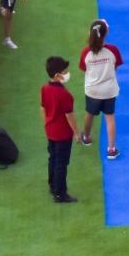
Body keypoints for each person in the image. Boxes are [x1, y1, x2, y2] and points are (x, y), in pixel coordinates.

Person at [79, 18, 123, 159]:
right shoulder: (113, 50)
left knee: (89, 114)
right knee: (110, 118)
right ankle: (111, 149)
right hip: (109, 90)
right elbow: (115, 66)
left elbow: (83, 68)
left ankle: (86, 137)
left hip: (92, 91)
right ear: (106, 33)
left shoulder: (86, 52)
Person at [41, 55, 80, 204]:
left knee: (53, 158)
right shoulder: (64, 94)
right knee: (62, 163)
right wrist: (77, 133)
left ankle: (52, 185)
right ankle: (60, 193)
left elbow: (43, 108)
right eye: (65, 71)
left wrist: (47, 123)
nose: (67, 73)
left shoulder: (45, 88)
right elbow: (70, 116)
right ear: (58, 75)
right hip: (63, 134)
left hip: (50, 131)